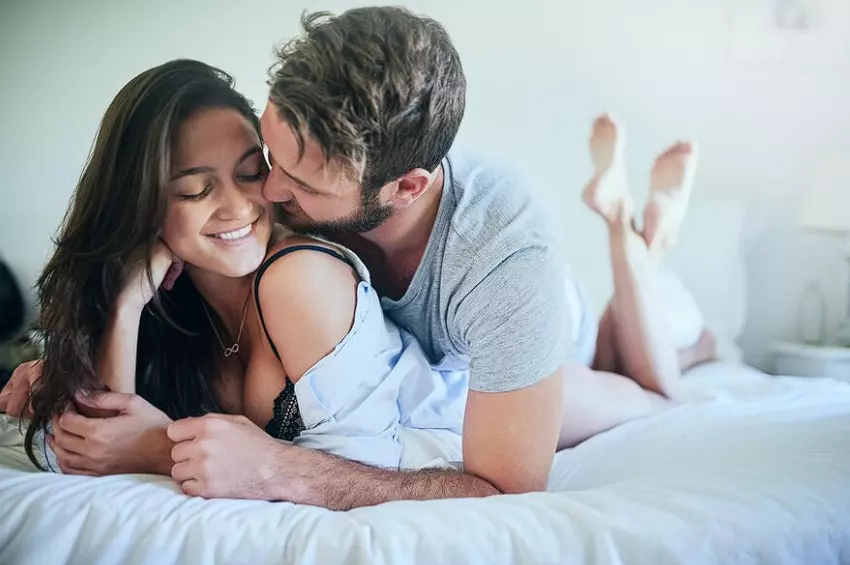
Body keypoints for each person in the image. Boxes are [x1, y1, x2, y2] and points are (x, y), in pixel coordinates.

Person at [2, 8, 716, 508]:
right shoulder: (279, 181)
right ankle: (640, 231)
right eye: (266, 157)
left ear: (405, 188)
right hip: (434, 365)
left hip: (531, 327)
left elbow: (504, 489)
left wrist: (274, 466)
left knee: (654, 386)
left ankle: (627, 229)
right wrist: (74, 351)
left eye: (294, 182)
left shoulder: (504, 253)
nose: (266, 196)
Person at [0, 59, 469, 480]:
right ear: (141, 206)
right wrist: (126, 304)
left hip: (459, 452)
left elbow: (352, 481)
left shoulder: (300, 277)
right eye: (195, 190)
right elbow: (96, 448)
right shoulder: (167, 302)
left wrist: (162, 448)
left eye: (250, 173)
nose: (239, 206)